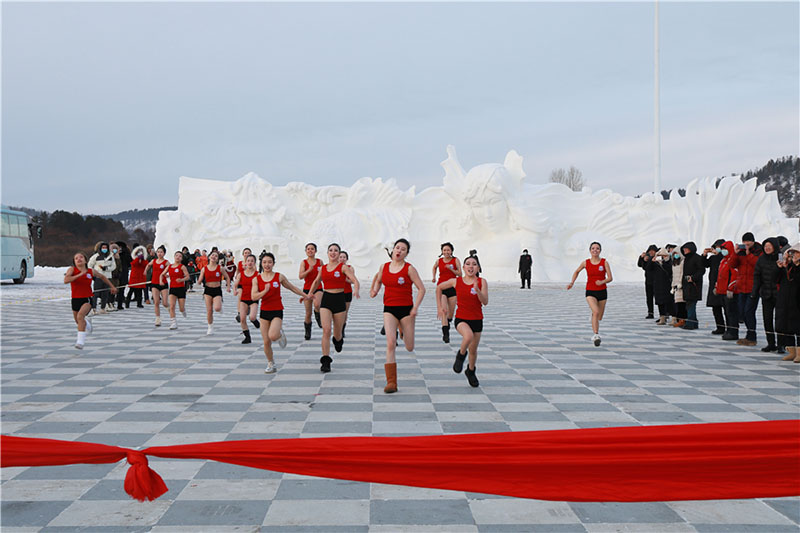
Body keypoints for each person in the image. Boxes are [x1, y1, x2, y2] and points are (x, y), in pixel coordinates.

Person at [370, 238, 426, 393]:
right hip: (389, 309)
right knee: (390, 343)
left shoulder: (409, 269)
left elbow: (422, 289)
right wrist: (374, 290)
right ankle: (391, 382)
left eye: (403, 249)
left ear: (406, 253)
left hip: (407, 310)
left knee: (409, 346)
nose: (399, 251)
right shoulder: (384, 266)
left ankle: (402, 329)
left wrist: (415, 307)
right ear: (393, 250)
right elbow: (379, 280)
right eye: (397, 248)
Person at [436, 251, 487, 387]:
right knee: (468, 336)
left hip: (477, 319)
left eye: (474, 264)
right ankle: (460, 356)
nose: (471, 267)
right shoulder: (456, 281)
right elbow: (439, 288)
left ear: (478, 268)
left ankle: (470, 371)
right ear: (463, 267)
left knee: (474, 351)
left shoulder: (482, 282)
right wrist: (440, 307)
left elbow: (485, 301)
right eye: (468, 264)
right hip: (462, 319)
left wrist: (478, 290)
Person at [251, 252, 310, 373]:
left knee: (272, 336)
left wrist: (306, 295)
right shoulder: (256, 279)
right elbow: (254, 296)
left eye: (270, 262)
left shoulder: (279, 276)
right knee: (266, 341)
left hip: (277, 310)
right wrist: (264, 291)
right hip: (264, 312)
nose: (267, 265)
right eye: (265, 262)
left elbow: (292, 287)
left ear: (273, 263)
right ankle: (271, 363)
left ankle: (279, 334)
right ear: (261, 263)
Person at [308, 243, 360, 373]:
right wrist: (309, 294)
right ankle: (326, 360)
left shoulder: (343, 268)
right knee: (326, 330)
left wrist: (356, 290)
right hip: (326, 300)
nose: (333, 252)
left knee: (337, 333)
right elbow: (316, 282)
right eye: (330, 250)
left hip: (339, 300)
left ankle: (338, 340)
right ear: (327, 253)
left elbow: (354, 280)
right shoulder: (323, 268)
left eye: (336, 251)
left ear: (339, 253)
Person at [64, 252, 116, 349]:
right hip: (75, 299)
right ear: (74, 262)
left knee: (80, 316)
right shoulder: (72, 270)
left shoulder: (91, 271)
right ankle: (87, 323)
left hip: (87, 298)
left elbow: (103, 277)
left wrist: (112, 286)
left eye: (81, 257)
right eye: (76, 258)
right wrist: (80, 275)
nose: (79, 259)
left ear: (85, 260)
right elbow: (66, 280)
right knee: (78, 320)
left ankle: (80, 342)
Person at [566, 241, 613, 346]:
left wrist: (602, 281)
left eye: (597, 248)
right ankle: (596, 335)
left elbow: (610, 278)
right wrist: (572, 282)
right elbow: (577, 271)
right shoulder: (586, 263)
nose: (595, 250)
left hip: (602, 292)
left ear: (600, 250)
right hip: (590, 291)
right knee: (596, 312)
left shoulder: (604, 262)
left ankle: (593, 317)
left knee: (599, 317)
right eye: (593, 248)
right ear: (590, 250)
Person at [729, 232, 761, 346]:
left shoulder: (758, 251)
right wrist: (735, 253)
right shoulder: (740, 252)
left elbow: (758, 265)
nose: (746, 244)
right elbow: (732, 265)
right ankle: (749, 335)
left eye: (748, 241)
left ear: (753, 241)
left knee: (749, 311)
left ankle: (752, 336)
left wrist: (748, 254)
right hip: (742, 286)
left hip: (753, 287)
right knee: (742, 312)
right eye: (744, 242)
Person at [751, 238, 781, 352]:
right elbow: (757, 276)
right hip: (766, 294)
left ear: (775, 246)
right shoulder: (761, 259)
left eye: (769, 246)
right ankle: (771, 343)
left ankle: (782, 344)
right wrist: (754, 291)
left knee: (779, 320)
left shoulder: (781, 257)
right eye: (765, 246)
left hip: (779, 294)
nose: (767, 248)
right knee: (767, 319)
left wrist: (780, 267)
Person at [432, 242, 461, 343]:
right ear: (442, 251)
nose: (446, 252)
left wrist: (452, 269)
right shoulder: (439, 261)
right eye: (444, 250)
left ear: (451, 251)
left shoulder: (455, 260)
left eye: (448, 250)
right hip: (441, 288)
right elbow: (434, 267)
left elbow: (460, 274)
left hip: (452, 288)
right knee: (444, 310)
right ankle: (445, 334)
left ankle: (447, 323)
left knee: (450, 314)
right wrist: (433, 277)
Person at [197, 250, 231, 335]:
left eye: (216, 256)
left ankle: (220, 308)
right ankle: (210, 326)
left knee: (217, 308)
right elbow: (200, 280)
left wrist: (228, 287)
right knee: (209, 310)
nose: (213, 257)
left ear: (217, 259)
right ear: (209, 257)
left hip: (217, 290)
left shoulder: (220, 268)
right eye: (212, 255)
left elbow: (227, 277)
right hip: (207, 290)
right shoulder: (204, 269)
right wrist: (199, 282)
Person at [776, 243, 800, 362]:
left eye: (794, 254)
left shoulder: (796, 267)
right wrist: (780, 268)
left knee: (798, 327)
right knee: (788, 326)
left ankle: (799, 352)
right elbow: (775, 280)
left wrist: (796, 265)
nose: (792, 257)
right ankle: (791, 351)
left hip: (797, 300)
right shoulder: (787, 267)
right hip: (786, 299)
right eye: (790, 255)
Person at [715, 241, 740, 341]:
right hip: (722, 291)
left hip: (729, 291)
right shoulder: (723, 261)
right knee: (726, 312)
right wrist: (717, 287)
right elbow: (720, 275)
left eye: (725, 249)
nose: (723, 251)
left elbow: (734, 275)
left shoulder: (732, 260)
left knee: (732, 312)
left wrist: (731, 288)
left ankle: (733, 331)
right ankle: (729, 330)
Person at [299, 243, 323, 340]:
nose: (310, 250)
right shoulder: (304, 262)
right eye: (308, 249)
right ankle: (308, 331)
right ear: (305, 251)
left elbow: (323, 275)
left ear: (315, 251)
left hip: (318, 288)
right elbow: (300, 276)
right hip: (307, 289)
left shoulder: (320, 262)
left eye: (312, 249)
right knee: (308, 313)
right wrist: (308, 270)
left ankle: (318, 316)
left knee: (317, 304)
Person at [234, 254, 260, 344]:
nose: (250, 263)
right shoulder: (241, 274)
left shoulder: (258, 274)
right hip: (244, 299)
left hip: (253, 299)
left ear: (254, 263)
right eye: (248, 261)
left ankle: (255, 321)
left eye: (252, 261)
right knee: (242, 319)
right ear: (245, 262)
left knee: (252, 317)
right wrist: (234, 290)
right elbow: (236, 283)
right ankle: (247, 337)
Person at [702, 240, 727, 335]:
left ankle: (729, 328)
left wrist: (718, 254)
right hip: (713, 285)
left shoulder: (725, 257)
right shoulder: (713, 258)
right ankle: (720, 327)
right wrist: (704, 254)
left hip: (724, 284)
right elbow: (704, 264)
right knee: (716, 308)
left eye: (718, 247)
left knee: (727, 308)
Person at [160, 251, 189, 330]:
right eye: (176, 255)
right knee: (172, 306)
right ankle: (173, 322)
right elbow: (162, 274)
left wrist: (182, 279)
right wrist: (161, 280)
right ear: (174, 256)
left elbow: (187, 277)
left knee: (181, 308)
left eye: (180, 256)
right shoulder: (170, 266)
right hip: (172, 289)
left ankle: (183, 311)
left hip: (181, 289)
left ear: (181, 258)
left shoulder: (182, 267)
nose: (178, 257)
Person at [680, 242, 704, 330]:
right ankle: (694, 323)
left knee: (691, 304)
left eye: (686, 249)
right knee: (689, 303)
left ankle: (690, 323)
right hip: (687, 284)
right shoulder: (686, 258)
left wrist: (693, 278)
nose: (684, 250)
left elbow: (702, 270)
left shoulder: (697, 258)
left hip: (694, 285)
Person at [87, 241, 116, 314]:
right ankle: (93, 308)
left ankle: (103, 308)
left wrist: (107, 268)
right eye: (103, 247)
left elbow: (113, 266)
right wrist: (94, 273)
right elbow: (89, 265)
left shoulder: (111, 256)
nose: (104, 249)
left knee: (105, 294)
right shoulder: (96, 256)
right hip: (98, 277)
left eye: (106, 247)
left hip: (107, 277)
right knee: (96, 294)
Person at [147, 245, 170, 327]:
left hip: (163, 284)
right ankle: (158, 318)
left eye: (161, 252)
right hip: (154, 283)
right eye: (158, 252)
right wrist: (145, 271)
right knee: (156, 302)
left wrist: (167, 274)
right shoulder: (154, 261)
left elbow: (170, 270)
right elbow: (148, 265)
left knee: (164, 302)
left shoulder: (166, 262)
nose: (159, 253)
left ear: (164, 253)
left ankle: (169, 308)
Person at [652, 246, 674, 325]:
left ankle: (673, 318)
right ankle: (662, 318)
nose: (661, 257)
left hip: (667, 284)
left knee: (670, 302)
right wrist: (653, 260)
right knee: (659, 302)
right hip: (658, 285)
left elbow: (670, 271)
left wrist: (664, 261)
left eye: (663, 255)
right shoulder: (655, 263)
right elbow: (647, 268)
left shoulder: (669, 261)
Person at [638, 244, 658, 319]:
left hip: (657, 281)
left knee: (659, 298)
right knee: (649, 298)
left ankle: (663, 314)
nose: (651, 252)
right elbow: (640, 265)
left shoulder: (657, 258)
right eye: (650, 251)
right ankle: (650, 313)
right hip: (648, 281)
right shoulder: (647, 258)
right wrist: (641, 258)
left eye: (653, 251)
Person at [339, 251, 355, 339]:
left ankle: (342, 329)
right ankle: (338, 328)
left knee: (344, 312)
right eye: (340, 257)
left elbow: (352, 280)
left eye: (344, 257)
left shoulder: (350, 268)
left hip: (347, 292)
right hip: (337, 293)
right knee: (338, 312)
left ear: (347, 259)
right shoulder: (335, 267)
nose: (342, 259)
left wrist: (345, 278)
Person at [670, 248, 687, 327]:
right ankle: (679, 319)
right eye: (674, 254)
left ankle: (683, 320)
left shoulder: (683, 262)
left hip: (681, 286)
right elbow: (674, 275)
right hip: (676, 286)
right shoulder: (674, 264)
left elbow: (682, 273)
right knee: (677, 303)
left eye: (677, 253)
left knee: (682, 303)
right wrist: (673, 286)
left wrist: (680, 283)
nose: (675, 255)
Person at [114, 241, 131, 311]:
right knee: (114, 289)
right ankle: (111, 303)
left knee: (121, 290)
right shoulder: (113, 255)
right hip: (115, 274)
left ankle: (120, 304)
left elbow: (130, 263)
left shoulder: (126, 255)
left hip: (123, 274)